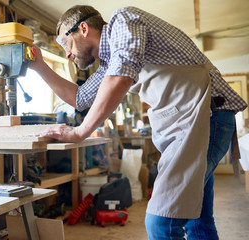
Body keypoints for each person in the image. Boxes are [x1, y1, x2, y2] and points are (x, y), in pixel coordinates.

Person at [29, 5, 247, 239]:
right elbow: (79, 99)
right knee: (197, 221)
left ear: (83, 28)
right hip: (194, 121)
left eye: (65, 45)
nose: (67, 55)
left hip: (208, 118)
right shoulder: (110, 62)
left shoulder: (122, 21)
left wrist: (80, 131)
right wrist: (39, 66)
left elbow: (120, 78)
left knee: (162, 222)